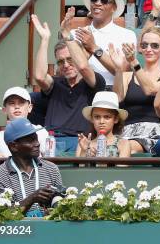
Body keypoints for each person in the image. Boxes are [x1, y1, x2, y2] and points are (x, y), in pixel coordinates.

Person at [32, 11, 106, 154]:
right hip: (51, 139)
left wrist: (67, 35)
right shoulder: (55, 83)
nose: (65, 65)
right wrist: (45, 39)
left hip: (80, 141)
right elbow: (40, 76)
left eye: (70, 59)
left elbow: (83, 67)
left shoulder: (93, 81)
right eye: (60, 62)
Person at [109, 26, 160, 154]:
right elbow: (117, 99)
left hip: (154, 133)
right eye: (144, 45)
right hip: (126, 132)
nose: (148, 49)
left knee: (123, 147)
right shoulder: (127, 75)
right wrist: (119, 69)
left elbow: (150, 89)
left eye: (154, 46)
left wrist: (133, 62)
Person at [0, 118, 63, 217]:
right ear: (13, 146)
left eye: (36, 138)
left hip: (48, 229)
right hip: (19, 231)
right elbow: (3, 216)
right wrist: (31, 199)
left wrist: (55, 211)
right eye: (30, 140)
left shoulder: (51, 168)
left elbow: (60, 204)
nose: (37, 143)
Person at [72, 0, 138, 87]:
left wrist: (94, 48)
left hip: (114, 92)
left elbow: (124, 72)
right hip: (82, 92)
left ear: (114, 8)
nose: (98, 3)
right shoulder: (75, 33)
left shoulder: (127, 35)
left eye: (104, 1)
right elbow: (69, 70)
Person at [0, 87, 49, 158]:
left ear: (30, 108)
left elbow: (50, 159)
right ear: (4, 110)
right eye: (12, 103)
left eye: (21, 102)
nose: (17, 107)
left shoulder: (41, 132)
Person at [76, 91, 131, 157]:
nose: (101, 121)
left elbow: (121, 167)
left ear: (116, 119)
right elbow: (79, 167)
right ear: (92, 119)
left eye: (107, 117)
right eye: (97, 117)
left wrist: (101, 161)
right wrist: (84, 152)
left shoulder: (123, 144)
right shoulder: (83, 144)